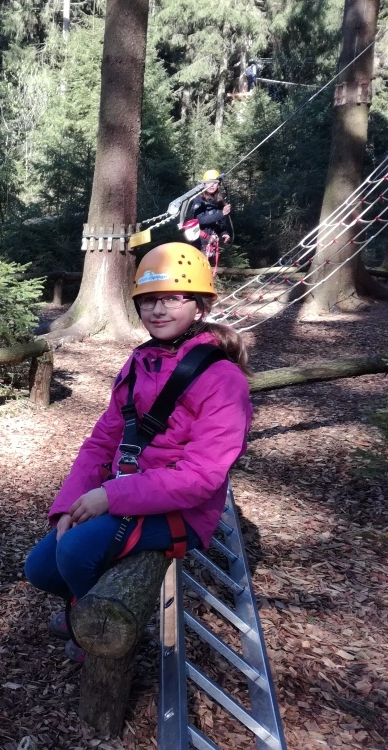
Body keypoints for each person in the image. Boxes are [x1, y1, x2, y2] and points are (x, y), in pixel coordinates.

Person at [23, 243, 252, 662]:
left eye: (173, 298)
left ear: (199, 306)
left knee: (75, 551)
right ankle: (83, 601)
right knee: (40, 567)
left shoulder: (222, 379)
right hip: (127, 492)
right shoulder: (141, 362)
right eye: (148, 300)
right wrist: (68, 505)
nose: (158, 310)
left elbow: (201, 476)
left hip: (182, 510)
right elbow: (102, 441)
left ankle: (97, 631)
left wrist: (110, 496)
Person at [183, 170, 234, 263]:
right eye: (208, 183)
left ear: (218, 185)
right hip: (199, 243)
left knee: (208, 269)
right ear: (204, 184)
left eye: (214, 183)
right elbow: (200, 219)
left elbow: (220, 222)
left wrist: (224, 232)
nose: (211, 185)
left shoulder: (218, 201)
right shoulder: (199, 199)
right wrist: (222, 213)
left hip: (211, 243)